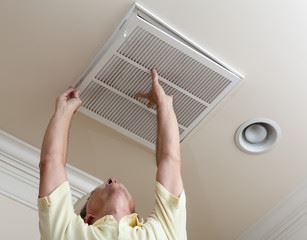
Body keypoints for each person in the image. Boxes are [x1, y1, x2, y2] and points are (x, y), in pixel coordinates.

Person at [38, 68, 187, 240]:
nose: (112, 180)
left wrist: (63, 113)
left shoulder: (64, 236)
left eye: (96, 190)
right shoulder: (164, 234)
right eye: (96, 191)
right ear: (89, 218)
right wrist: (163, 104)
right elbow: (170, 160)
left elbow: (50, 163)